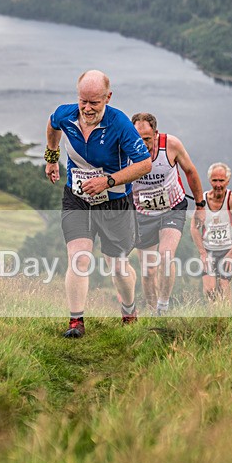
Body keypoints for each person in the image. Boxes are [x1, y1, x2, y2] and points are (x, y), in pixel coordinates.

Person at [45, 70, 152, 338]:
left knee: (117, 266)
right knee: (78, 257)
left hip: (114, 203)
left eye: (95, 102)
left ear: (108, 97)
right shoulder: (66, 114)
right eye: (83, 101)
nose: (87, 108)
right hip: (77, 199)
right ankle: (75, 322)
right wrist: (51, 156)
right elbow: (52, 124)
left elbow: (144, 164)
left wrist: (108, 181)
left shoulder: (120, 124)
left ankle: (128, 310)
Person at [131, 112, 205, 315]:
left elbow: (190, 171)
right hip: (142, 214)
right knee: (148, 270)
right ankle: (151, 309)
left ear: (156, 134)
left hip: (171, 208)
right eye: (138, 138)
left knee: (166, 255)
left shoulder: (171, 145)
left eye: (147, 139)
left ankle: (163, 307)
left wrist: (200, 206)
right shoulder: (124, 150)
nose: (142, 144)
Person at [190, 162, 232, 302]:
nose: (218, 184)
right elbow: (194, 227)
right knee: (209, 290)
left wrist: (231, 254)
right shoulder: (202, 201)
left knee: (223, 287)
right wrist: (202, 253)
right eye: (215, 180)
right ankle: (212, 320)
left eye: (221, 181)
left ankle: (225, 319)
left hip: (228, 249)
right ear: (210, 180)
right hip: (209, 250)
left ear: (227, 181)